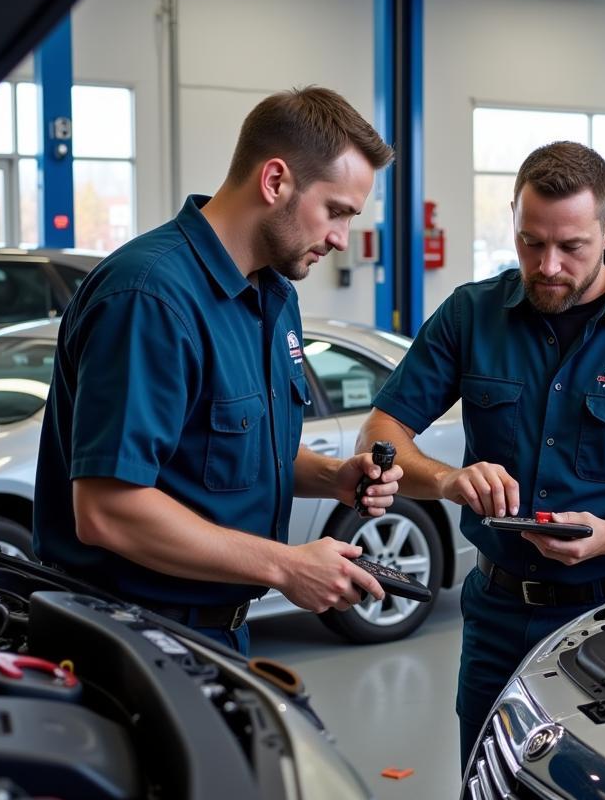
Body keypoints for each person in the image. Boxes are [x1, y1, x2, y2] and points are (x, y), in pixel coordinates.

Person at [357, 141, 605, 764]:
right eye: (529, 242)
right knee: (487, 786)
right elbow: (380, 434)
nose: (546, 265)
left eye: (570, 247)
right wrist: (449, 480)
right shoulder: (470, 315)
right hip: (496, 616)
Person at [34, 87, 399, 654]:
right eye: (336, 212)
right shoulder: (150, 298)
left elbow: (226, 451)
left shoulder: (273, 296)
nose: (340, 239)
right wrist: (285, 566)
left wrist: (331, 478)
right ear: (275, 181)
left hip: (216, 631)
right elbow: (107, 510)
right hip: (130, 637)